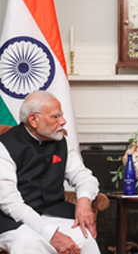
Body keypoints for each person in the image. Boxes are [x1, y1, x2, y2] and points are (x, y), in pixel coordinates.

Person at [0, 91, 100, 254]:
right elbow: (11, 204)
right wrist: (51, 234)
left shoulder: (61, 142)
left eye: (62, 115)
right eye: (56, 117)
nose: (63, 121)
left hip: (53, 213)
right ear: (33, 120)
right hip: (13, 221)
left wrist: (84, 200)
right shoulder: (4, 146)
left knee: (85, 239)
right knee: (30, 242)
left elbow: (85, 177)